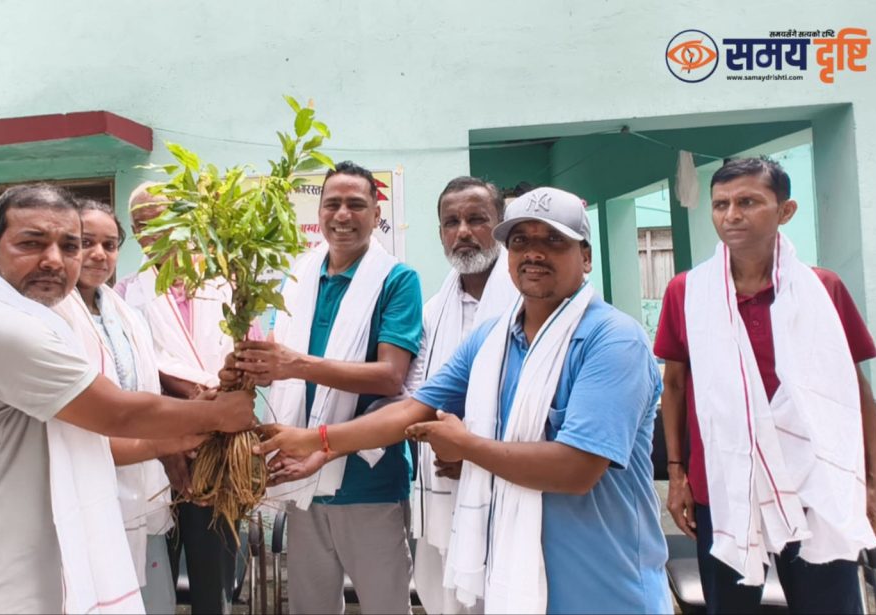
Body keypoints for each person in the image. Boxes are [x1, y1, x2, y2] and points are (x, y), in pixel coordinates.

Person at [244, 187, 670, 614]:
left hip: (603, 581)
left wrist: (468, 447)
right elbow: (412, 409)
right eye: (520, 240)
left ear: (586, 257)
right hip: (512, 576)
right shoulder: (491, 340)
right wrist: (315, 440)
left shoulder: (613, 342)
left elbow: (577, 469)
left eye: (554, 240)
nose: (534, 253)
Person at [0, 183, 255, 614]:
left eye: (69, 246)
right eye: (32, 243)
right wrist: (218, 414)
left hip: (20, 563)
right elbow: (116, 412)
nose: (54, 259)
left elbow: (107, 421)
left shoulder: (59, 318)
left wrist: (179, 438)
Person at [654, 157, 876, 614]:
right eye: (720, 204)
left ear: (785, 210)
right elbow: (676, 386)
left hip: (815, 484)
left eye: (748, 202)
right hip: (724, 484)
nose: (731, 215)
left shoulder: (822, 289)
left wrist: (875, 484)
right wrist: (678, 475)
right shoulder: (688, 292)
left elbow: (853, 392)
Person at [234, 161, 423, 614]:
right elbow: (278, 361)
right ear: (318, 212)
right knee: (310, 606)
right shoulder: (298, 277)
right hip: (299, 474)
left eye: (356, 204)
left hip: (369, 481)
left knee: (385, 606)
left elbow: (390, 376)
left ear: (376, 215)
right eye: (332, 204)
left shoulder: (397, 280)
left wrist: (295, 365)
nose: (342, 215)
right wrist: (247, 366)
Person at [115, 182, 254, 615]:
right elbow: (131, 367)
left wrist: (224, 392)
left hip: (218, 449)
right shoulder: (125, 295)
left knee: (213, 578)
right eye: (140, 225)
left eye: (161, 219)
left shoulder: (226, 284)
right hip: (156, 448)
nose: (151, 233)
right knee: (155, 571)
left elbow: (250, 351)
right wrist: (196, 396)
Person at [53, 198, 182, 614]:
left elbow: (146, 390)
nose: (98, 254)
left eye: (109, 245)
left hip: (139, 484)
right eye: (85, 242)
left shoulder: (125, 313)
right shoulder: (50, 313)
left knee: (149, 599)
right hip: (82, 482)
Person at [404, 176, 518, 615]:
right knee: (446, 598)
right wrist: (441, 441)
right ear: (440, 233)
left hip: (511, 484)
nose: (463, 232)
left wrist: (471, 451)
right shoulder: (433, 311)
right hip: (443, 479)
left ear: (500, 225)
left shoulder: (527, 304)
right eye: (451, 222)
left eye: (476, 219)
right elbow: (417, 393)